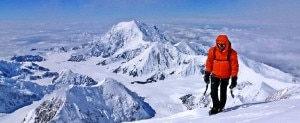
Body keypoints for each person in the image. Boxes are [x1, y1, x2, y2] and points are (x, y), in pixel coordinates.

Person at [204, 34, 239, 115]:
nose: (220, 46)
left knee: (223, 92)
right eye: (219, 44)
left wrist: (234, 78)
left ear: (226, 44)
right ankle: (215, 107)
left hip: (225, 76)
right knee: (213, 92)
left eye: (222, 45)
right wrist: (207, 73)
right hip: (215, 74)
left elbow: (234, 66)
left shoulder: (232, 53)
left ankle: (221, 107)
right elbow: (209, 62)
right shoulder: (212, 51)